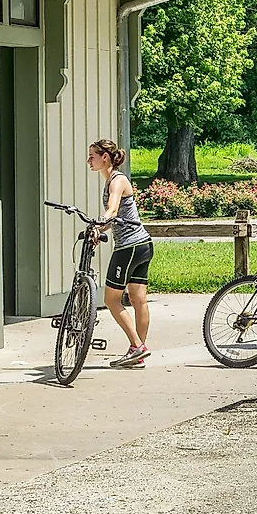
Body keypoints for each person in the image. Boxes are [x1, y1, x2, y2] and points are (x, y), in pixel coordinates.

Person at [88, 139, 152, 369]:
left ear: (105, 157)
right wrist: (101, 229)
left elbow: (112, 210)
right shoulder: (112, 180)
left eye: (92, 156)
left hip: (128, 247)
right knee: (137, 299)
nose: (89, 161)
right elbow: (115, 217)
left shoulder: (117, 181)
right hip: (143, 244)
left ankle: (137, 346)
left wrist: (97, 225)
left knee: (111, 299)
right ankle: (139, 353)